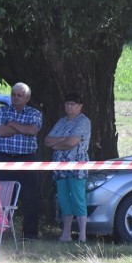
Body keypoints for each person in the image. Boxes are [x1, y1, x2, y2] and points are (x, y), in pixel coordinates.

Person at [0, 82, 43, 239]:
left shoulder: (35, 113)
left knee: (30, 198)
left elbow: (32, 130)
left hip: (27, 159)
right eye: (13, 94)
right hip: (4, 158)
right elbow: (1, 131)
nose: (15, 98)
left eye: (19, 95)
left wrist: (13, 124)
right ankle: (0, 231)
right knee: (0, 197)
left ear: (27, 98)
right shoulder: (1, 111)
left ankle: (30, 234)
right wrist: (23, 127)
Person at [45, 92, 91, 242]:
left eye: (73, 104)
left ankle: (82, 235)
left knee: (78, 198)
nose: (69, 107)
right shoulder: (61, 122)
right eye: (67, 104)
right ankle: (66, 234)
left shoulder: (83, 121)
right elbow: (47, 141)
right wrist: (64, 140)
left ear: (80, 106)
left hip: (77, 165)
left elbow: (72, 142)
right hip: (60, 166)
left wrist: (58, 143)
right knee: (64, 199)